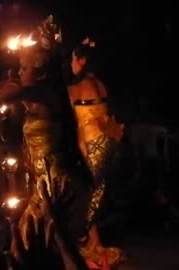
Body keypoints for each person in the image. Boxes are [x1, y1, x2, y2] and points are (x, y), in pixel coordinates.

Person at [0, 16, 84, 251]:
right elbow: (12, 89)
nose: (18, 71)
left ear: (42, 74)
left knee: (35, 240)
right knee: (36, 242)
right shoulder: (38, 96)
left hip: (55, 180)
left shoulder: (44, 94)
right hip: (41, 178)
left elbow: (13, 93)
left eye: (24, 68)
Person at [67, 37, 123, 267]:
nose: (71, 65)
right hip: (109, 144)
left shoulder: (77, 88)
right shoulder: (101, 85)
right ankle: (93, 242)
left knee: (89, 195)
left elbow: (76, 123)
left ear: (81, 60)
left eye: (73, 60)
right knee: (96, 193)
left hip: (92, 146)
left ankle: (88, 243)